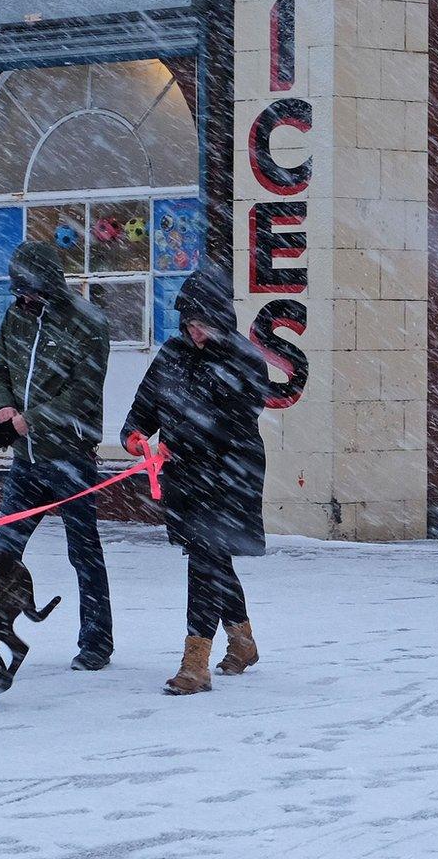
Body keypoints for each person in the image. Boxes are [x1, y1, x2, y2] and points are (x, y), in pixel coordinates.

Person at [0, 240, 113, 673]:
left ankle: (97, 643)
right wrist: (3, 407)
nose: (25, 300)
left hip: (71, 457)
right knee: (2, 554)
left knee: (84, 554)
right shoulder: (16, 316)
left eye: (31, 292)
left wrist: (31, 419)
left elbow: (83, 394)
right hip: (25, 462)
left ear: (50, 284)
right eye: (20, 292)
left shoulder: (88, 323)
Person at [121, 264, 271, 696]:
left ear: (222, 319)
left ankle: (195, 664)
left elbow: (231, 424)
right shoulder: (171, 355)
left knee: (203, 562)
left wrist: (179, 442)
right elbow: (144, 409)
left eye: (203, 323)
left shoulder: (245, 360)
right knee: (212, 558)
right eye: (189, 323)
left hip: (230, 475)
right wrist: (135, 437)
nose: (195, 332)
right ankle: (242, 642)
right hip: (184, 477)